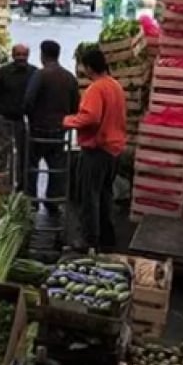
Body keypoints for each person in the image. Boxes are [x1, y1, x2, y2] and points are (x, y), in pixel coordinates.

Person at [62, 48, 126, 250]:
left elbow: (90, 117)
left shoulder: (96, 89)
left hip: (97, 150)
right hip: (114, 149)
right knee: (105, 195)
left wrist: (68, 121)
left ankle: (88, 239)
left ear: (89, 67)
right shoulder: (115, 86)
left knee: (89, 196)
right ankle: (107, 238)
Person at [22, 40, 79, 209]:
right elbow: (76, 105)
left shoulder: (40, 75)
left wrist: (29, 116)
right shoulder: (69, 78)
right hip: (59, 130)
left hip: (38, 130)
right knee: (56, 167)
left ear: (42, 55)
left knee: (32, 166)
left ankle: (32, 202)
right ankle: (52, 201)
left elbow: (28, 101)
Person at [0, 43, 37, 189]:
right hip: (4, 117)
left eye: (24, 55)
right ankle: (0, 184)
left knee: (23, 153)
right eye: (18, 55)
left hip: (23, 119)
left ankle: (20, 185)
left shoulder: (34, 73)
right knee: (1, 151)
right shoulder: (3, 72)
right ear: (12, 55)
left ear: (28, 55)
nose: (21, 58)